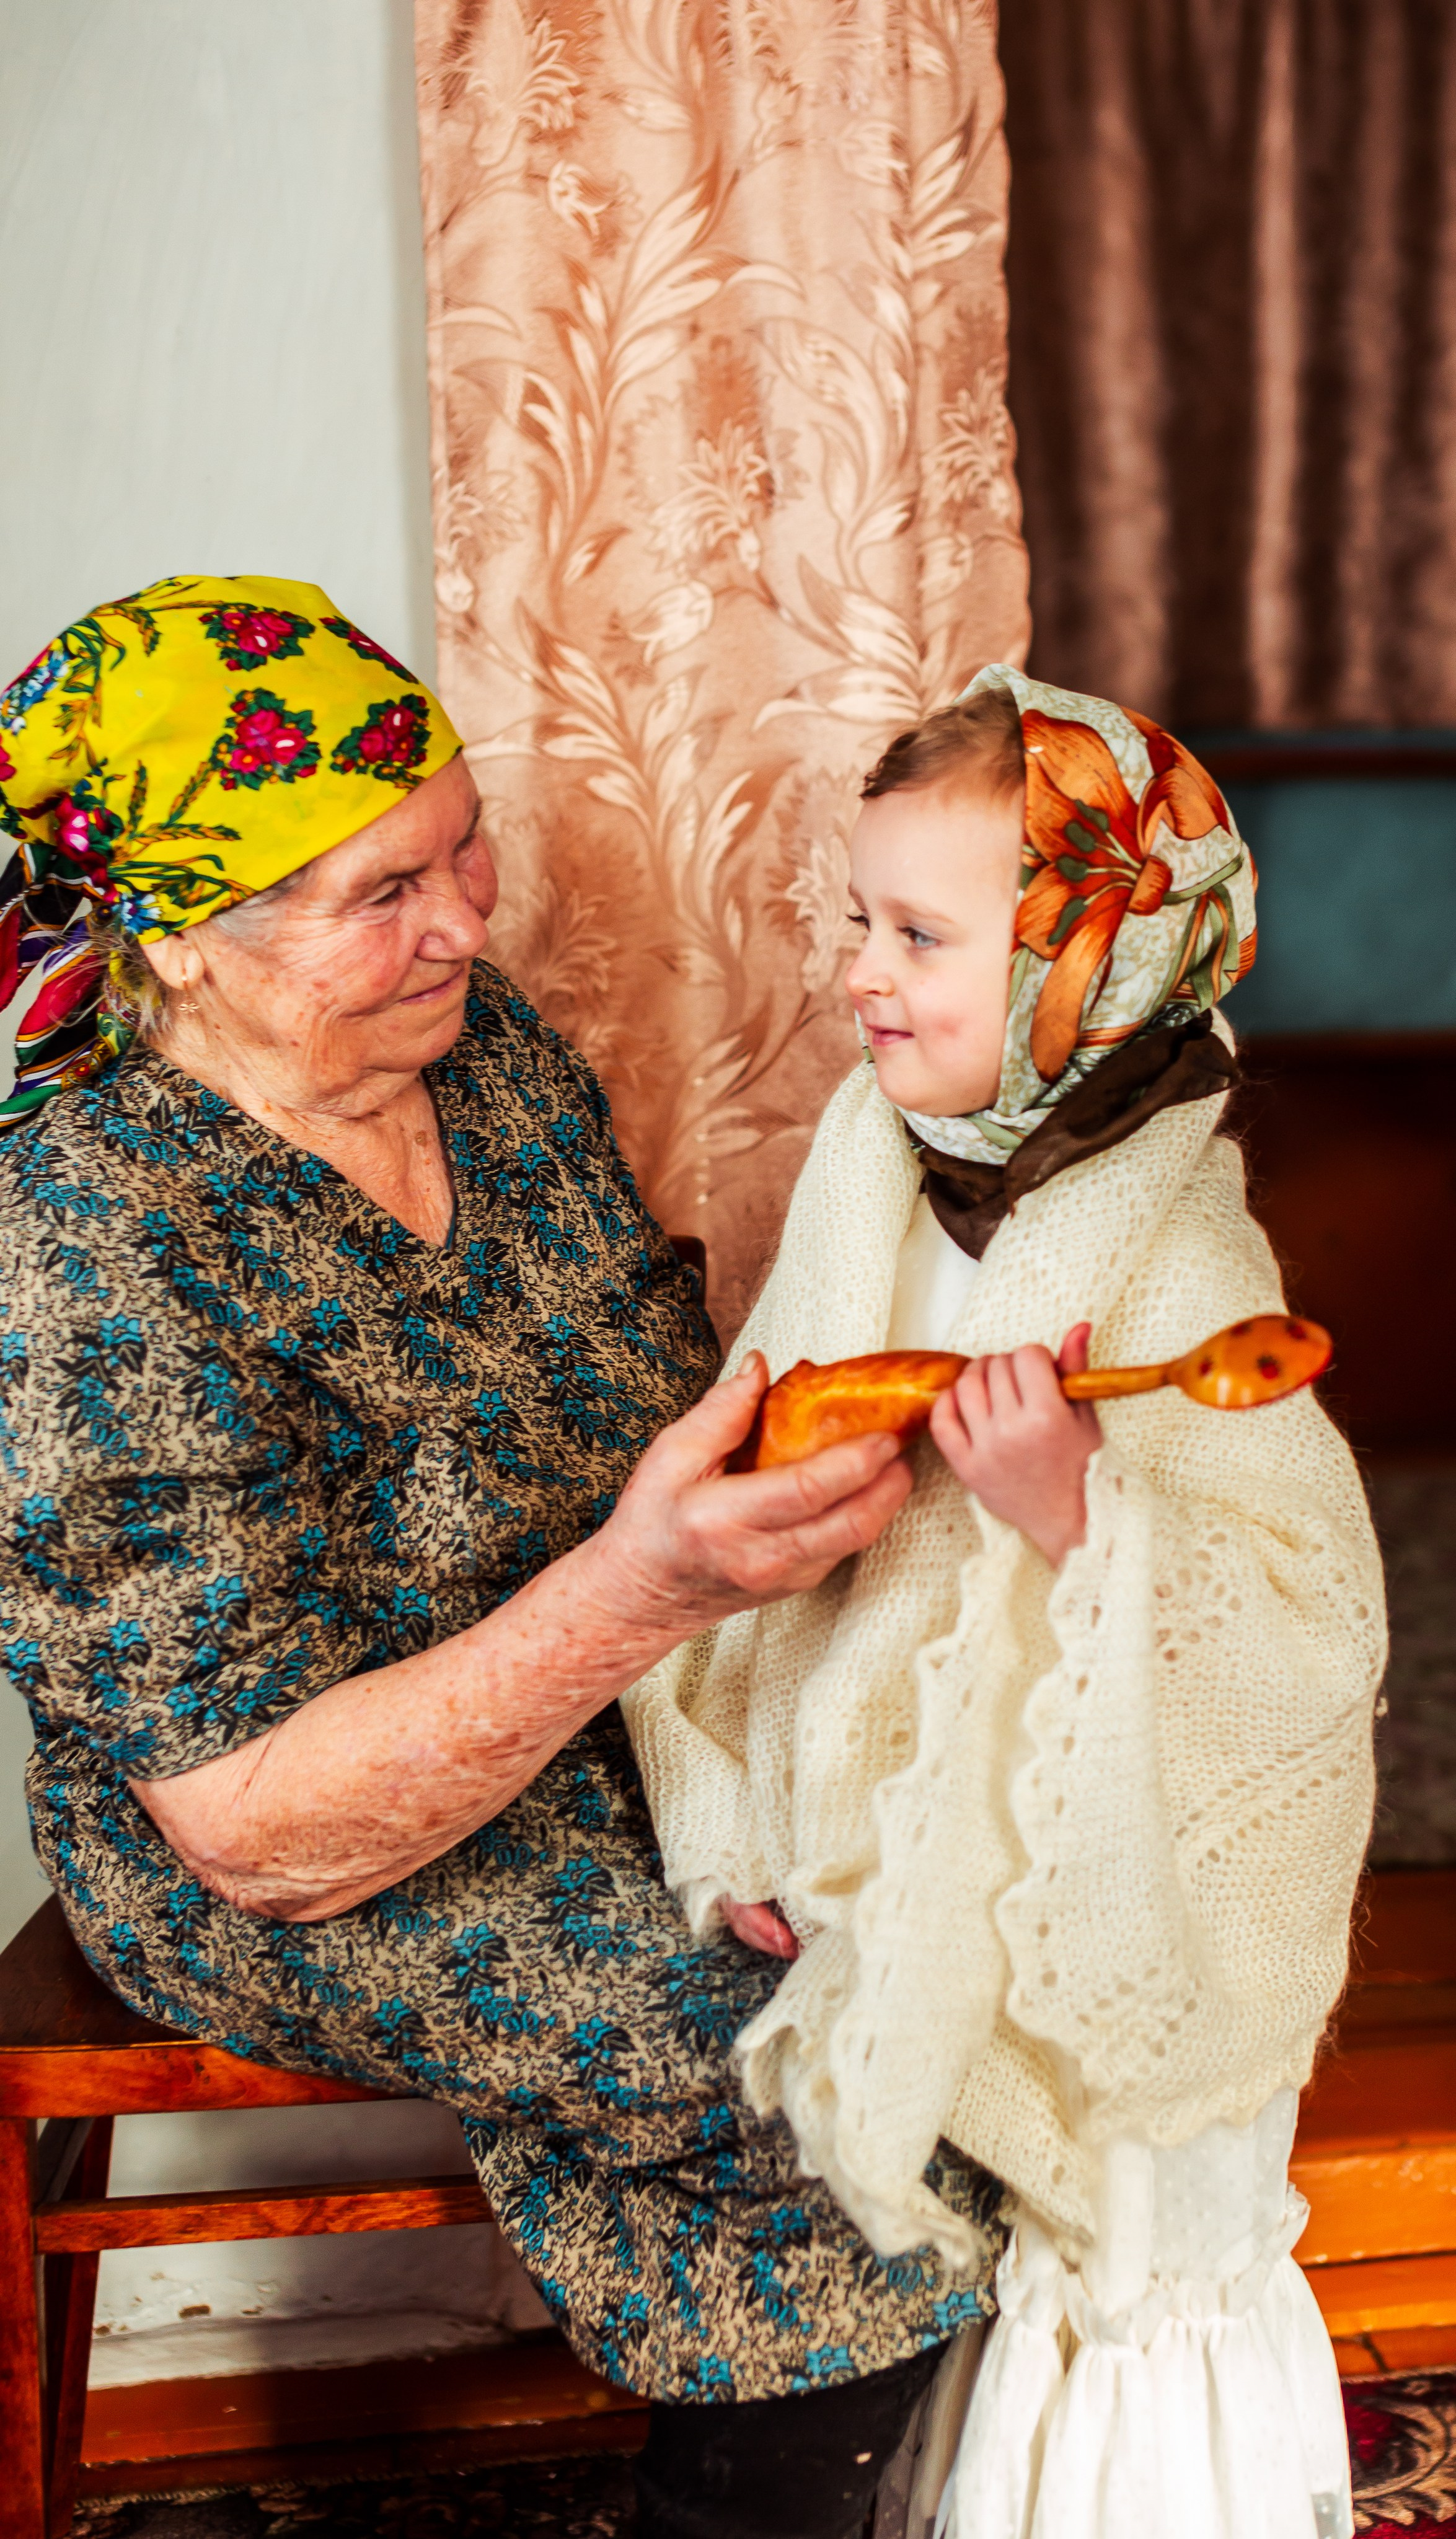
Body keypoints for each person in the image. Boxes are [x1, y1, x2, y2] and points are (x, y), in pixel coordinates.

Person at [0, 576, 1005, 2539]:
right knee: (779, 2048)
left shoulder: (478, 1046)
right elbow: (253, 1820)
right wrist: (653, 1591)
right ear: (177, 943)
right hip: (299, 1825)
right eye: (382, 891)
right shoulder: (77, 1242)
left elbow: (641, 1382)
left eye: (464, 850)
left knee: (987, 1875)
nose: (466, 919)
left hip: (645, 1681)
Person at [624, 670, 1387, 2539]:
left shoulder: (1182, 1257)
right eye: (857, 923)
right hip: (898, 1826)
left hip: (1112, 1863)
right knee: (955, 2271)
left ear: (1091, 963)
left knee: (1121, 2244)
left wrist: (1080, 1520)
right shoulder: (879, 1164)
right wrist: (734, 1789)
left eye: (923, 937)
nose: (865, 975)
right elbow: (757, 1465)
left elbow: (1311, 1618)